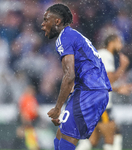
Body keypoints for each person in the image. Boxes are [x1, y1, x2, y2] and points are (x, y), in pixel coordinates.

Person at [41, 3, 112, 150]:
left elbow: (69, 75)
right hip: (94, 90)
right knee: (61, 134)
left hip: (89, 91)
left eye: (45, 19)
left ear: (57, 21)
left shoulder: (64, 38)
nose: (42, 25)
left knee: (68, 139)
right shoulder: (75, 35)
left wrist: (58, 107)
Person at [76, 34, 131, 150]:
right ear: (111, 42)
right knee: (111, 137)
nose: (121, 46)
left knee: (93, 140)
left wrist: (117, 88)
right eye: (119, 42)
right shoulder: (106, 55)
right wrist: (123, 66)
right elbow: (109, 80)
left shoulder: (98, 54)